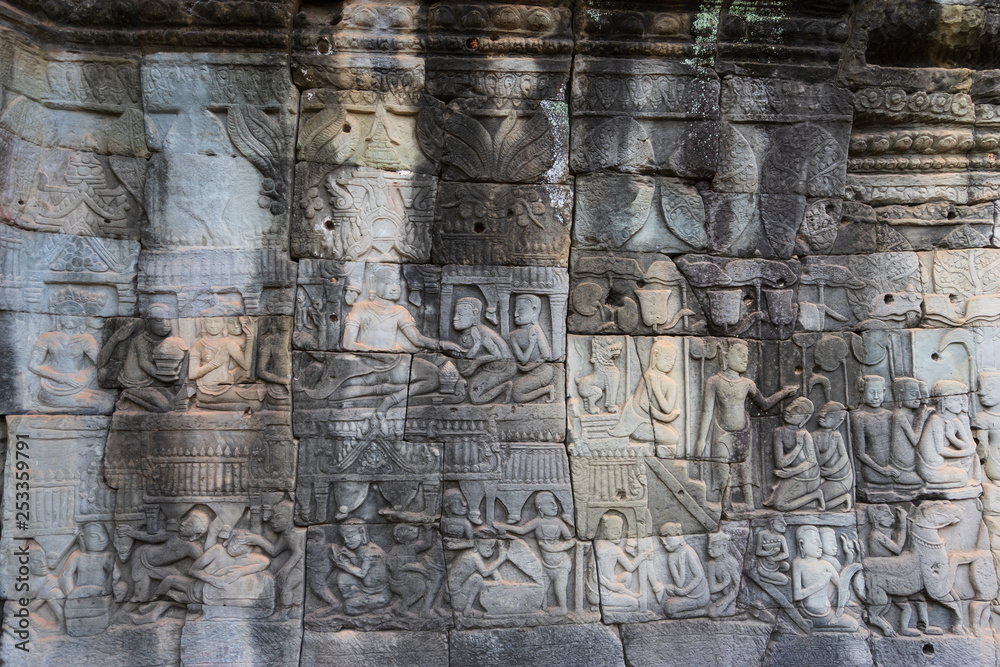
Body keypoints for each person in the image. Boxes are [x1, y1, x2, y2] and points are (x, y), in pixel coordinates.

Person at [696, 340, 797, 510]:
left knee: (745, 470)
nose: (745, 359)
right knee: (722, 472)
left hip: (743, 432)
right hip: (721, 433)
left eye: (747, 356)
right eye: (740, 355)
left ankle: (749, 504)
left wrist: (783, 393)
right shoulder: (714, 382)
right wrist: (701, 440)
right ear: (727, 357)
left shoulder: (747, 384)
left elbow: (764, 404)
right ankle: (725, 506)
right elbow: (707, 412)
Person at [28, 296, 115, 412]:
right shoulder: (47, 338)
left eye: (74, 314)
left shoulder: (86, 339)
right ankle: (53, 412)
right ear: (58, 317)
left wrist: (84, 375)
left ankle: (53, 411)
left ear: (82, 318)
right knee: (104, 406)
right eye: (64, 314)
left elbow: (100, 364)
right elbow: (33, 365)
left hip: (77, 385)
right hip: (52, 388)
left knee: (109, 401)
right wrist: (60, 378)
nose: (69, 318)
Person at [495, 492, 575, 614]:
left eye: (555, 503)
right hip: (545, 564)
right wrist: (505, 527)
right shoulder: (537, 522)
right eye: (550, 503)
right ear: (540, 507)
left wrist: (556, 548)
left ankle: (563, 609)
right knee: (541, 587)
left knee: (559, 587)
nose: (555, 506)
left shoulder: (558, 522)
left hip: (561, 563)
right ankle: (541, 608)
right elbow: (522, 530)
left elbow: (570, 541)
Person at [609, 339, 681, 457]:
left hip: (650, 424)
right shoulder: (648, 377)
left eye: (672, 359)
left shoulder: (670, 382)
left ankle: (660, 450)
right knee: (673, 437)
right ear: (655, 356)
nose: (671, 363)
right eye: (667, 358)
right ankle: (659, 450)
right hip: (639, 426)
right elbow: (642, 404)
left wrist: (665, 416)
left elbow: (667, 408)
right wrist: (664, 416)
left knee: (674, 436)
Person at [452, 297, 517, 404]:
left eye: (461, 314)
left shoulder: (483, 332)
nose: (455, 318)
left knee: (474, 397)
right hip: (488, 368)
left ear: (475, 314)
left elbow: (497, 355)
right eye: (455, 313)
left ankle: (505, 387)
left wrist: (475, 364)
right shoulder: (466, 334)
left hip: (503, 369)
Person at [791, 525, 858, 630]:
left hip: (828, 612)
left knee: (854, 624)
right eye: (814, 542)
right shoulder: (798, 563)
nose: (820, 545)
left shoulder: (824, 564)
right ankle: (820, 627)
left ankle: (821, 626)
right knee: (853, 625)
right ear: (801, 545)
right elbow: (797, 595)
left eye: (820, 541)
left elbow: (841, 585)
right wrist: (820, 584)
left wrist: (840, 607)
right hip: (810, 613)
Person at [765, 397, 826, 511]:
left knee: (780, 505)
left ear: (805, 417)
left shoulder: (805, 434)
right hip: (794, 475)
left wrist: (792, 472)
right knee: (776, 501)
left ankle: (816, 495)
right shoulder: (779, 432)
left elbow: (812, 461)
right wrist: (798, 447)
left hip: (808, 478)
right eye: (791, 405)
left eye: (797, 410)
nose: (789, 410)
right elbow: (780, 463)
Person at [917, 380, 980, 489]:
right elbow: (941, 450)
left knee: (971, 459)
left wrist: (952, 438)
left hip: (944, 464)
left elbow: (967, 444)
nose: (960, 402)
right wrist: (965, 453)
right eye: (956, 399)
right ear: (944, 401)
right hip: (932, 468)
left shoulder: (955, 420)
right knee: (963, 477)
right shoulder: (935, 419)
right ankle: (931, 485)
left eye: (962, 399)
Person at [331, 520, 391, 615]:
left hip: (379, 594)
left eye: (350, 536)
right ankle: (359, 599)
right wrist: (351, 556)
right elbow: (362, 565)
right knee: (342, 577)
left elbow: (362, 573)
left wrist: (344, 565)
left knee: (347, 607)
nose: (346, 541)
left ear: (362, 531)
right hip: (364, 588)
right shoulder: (362, 550)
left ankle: (373, 611)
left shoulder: (371, 552)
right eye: (343, 538)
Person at [509, 294, 557, 403]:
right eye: (514, 311)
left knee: (517, 395)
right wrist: (531, 344)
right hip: (529, 371)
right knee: (515, 391)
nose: (515, 315)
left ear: (534, 310)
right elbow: (523, 360)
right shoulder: (513, 335)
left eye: (520, 311)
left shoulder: (536, 330)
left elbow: (547, 355)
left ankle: (548, 390)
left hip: (543, 372)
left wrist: (527, 368)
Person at [852, 375, 897, 489]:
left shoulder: (889, 415)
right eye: (871, 392)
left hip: (893, 466)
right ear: (862, 392)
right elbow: (860, 453)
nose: (876, 397)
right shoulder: (860, 417)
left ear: (884, 392)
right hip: (872, 469)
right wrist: (882, 470)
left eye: (879, 392)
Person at [657, 523, 710, 618]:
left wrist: (684, 591)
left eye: (667, 537)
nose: (664, 543)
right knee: (668, 608)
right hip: (685, 595)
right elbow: (679, 584)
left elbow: (699, 576)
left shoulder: (688, 551)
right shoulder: (671, 557)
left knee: (670, 608)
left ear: (678, 535)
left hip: (699, 596)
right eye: (662, 540)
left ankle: (701, 612)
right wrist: (681, 566)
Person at [814, 401, 854, 510]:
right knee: (812, 500)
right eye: (822, 412)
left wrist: (832, 470)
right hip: (824, 477)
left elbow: (844, 457)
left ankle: (845, 498)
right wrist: (830, 450)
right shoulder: (814, 436)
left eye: (829, 415)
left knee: (814, 501)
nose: (822, 415)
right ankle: (844, 499)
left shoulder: (836, 435)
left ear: (839, 421)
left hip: (841, 479)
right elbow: (818, 462)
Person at [706, 532, 740, 617]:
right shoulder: (712, 564)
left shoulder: (730, 562)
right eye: (709, 544)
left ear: (724, 546)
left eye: (714, 545)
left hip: (732, 597)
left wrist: (726, 601)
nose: (709, 547)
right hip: (720, 594)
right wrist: (724, 584)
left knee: (712, 612)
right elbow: (712, 589)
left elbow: (737, 586)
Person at [755, 517, 790, 586]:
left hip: (775, 564)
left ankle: (768, 578)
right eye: (780, 522)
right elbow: (758, 552)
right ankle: (764, 579)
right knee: (785, 580)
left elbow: (786, 554)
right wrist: (770, 552)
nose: (785, 524)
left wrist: (774, 559)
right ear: (772, 524)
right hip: (763, 566)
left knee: (786, 566)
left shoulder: (781, 537)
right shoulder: (762, 534)